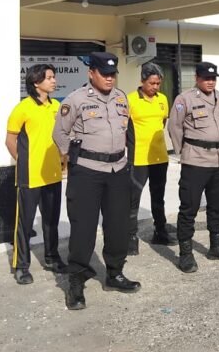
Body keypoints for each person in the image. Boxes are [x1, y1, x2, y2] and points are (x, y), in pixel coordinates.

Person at [52, 52, 140, 311]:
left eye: (113, 74)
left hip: (117, 169)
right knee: (84, 228)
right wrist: (76, 156)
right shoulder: (75, 100)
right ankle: (76, 282)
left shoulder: (121, 97)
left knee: (118, 225)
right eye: (104, 73)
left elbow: (127, 131)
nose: (110, 78)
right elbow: (60, 133)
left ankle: (114, 273)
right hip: (88, 171)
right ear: (91, 73)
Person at [167, 62, 219, 273]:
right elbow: (174, 126)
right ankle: (185, 253)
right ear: (197, 79)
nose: (210, 82)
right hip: (196, 161)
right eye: (206, 78)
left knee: (218, 206)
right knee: (189, 208)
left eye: (213, 78)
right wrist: (184, 152)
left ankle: (216, 245)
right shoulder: (185, 99)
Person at [5, 64, 66, 285]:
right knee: (25, 223)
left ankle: (52, 257)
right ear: (35, 82)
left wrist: (63, 159)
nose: (53, 81)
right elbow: (10, 140)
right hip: (30, 176)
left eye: (53, 77)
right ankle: (21, 266)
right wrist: (23, 162)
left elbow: (61, 136)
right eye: (49, 77)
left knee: (51, 220)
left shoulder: (57, 106)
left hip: (53, 173)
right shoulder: (23, 108)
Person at [126, 62, 177, 253]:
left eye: (158, 83)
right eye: (152, 83)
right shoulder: (130, 100)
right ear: (142, 81)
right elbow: (124, 129)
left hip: (159, 158)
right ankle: (130, 237)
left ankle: (160, 232)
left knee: (159, 197)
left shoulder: (163, 99)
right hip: (138, 159)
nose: (155, 87)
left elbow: (162, 122)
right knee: (133, 200)